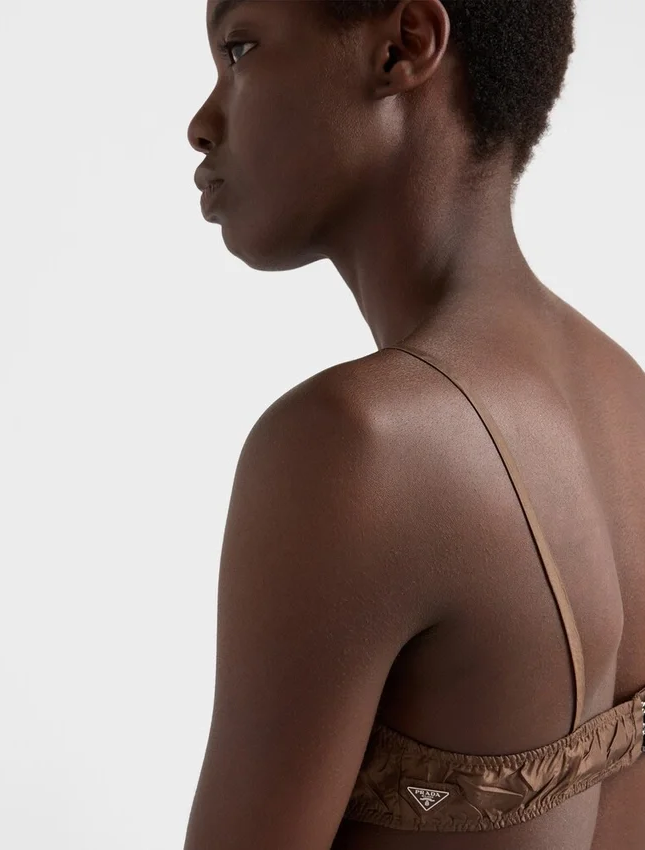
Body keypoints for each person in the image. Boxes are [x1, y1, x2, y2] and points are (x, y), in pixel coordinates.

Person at [184, 2, 645, 848]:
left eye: (239, 49)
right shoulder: (628, 402)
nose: (201, 123)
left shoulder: (356, 445)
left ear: (403, 49)